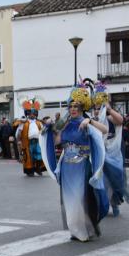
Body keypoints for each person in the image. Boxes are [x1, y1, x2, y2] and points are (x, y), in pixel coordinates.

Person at [40, 81, 109, 242]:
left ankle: (86, 228)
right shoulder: (65, 125)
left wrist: (90, 121)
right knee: (69, 200)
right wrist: (49, 129)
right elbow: (57, 142)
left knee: (80, 198)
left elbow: (104, 131)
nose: (73, 110)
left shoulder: (86, 123)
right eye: (71, 107)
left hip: (82, 166)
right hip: (66, 167)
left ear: (81, 109)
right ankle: (75, 229)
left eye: (76, 107)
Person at [90, 82, 129, 217]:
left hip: (111, 154)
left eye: (100, 108)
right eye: (95, 108)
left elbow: (120, 120)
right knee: (101, 180)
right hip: (98, 154)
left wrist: (108, 109)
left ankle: (114, 204)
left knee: (113, 179)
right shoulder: (92, 120)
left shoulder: (109, 117)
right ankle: (100, 204)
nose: (97, 111)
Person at [16, 98, 45, 176]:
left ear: (36, 113)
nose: (32, 115)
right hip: (28, 143)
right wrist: (19, 140)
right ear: (27, 113)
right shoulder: (23, 123)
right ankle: (30, 171)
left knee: (39, 156)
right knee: (29, 157)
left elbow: (43, 131)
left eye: (33, 113)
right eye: (30, 113)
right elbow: (19, 132)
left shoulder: (39, 122)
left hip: (38, 142)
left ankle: (38, 169)